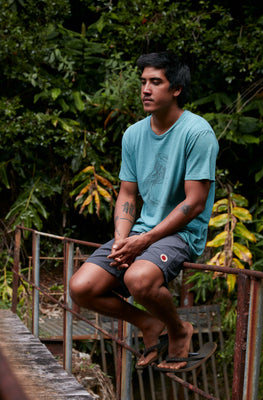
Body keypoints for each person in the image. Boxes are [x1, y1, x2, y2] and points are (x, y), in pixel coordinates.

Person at [69, 51, 219, 372]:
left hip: (180, 233)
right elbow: (127, 193)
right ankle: (149, 324)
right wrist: (123, 240)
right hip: (140, 232)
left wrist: (144, 240)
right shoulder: (134, 134)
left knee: (138, 279)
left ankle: (179, 330)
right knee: (81, 287)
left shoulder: (197, 132)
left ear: (176, 89)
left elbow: (194, 203)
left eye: (155, 82)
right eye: (143, 83)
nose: (145, 90)